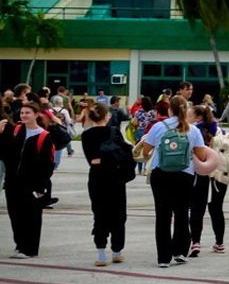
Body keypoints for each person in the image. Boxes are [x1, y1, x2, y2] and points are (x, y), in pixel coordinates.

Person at [142, 96, 207, 268]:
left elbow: (146, 151)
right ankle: (179, 251)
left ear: (169, 109)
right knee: (182, 213)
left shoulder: (158, 127)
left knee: (162, 215)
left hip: (160, 174)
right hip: (184, 175)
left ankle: (163, 257)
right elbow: (201, 155)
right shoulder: (192, 130)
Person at [0, 102, 55, 258]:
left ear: (37, 115)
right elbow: (4, 153)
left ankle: (29, 248)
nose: (24, 115)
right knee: (15, 215)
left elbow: (47, 164)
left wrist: (41, 187)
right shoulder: (16, 131)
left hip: (31, 184)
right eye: (22, 113)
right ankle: (20, 244)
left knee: (31, 216)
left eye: (27, 113)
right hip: (12, 181)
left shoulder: (44, 136)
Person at [81, 102, 129, 266]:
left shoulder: (86, 135)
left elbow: (91, 159)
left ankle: (101, 252)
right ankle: (117, 251)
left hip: (97, 176)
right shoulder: (114, 131)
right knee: (118, 213)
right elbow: (124, 153)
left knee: (100, 212)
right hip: (115, 175)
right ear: (106, 116)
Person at [189, 105, 227, 256]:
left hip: (198, 175)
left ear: (198, 118)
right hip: (218, 175)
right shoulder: (220, 131)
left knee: (196, 209)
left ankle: (195, 242)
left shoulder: (192, 131)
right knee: (217, 209)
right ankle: (219, 242)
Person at [49, 95, 75, 169]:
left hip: (51, 129)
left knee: (51, 146)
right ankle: (56, 164)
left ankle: (51, 160)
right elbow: (68, 121)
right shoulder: (64, 111)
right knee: (59, 147)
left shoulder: (50, 110)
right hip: (61, 130)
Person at [132, 97, 156, 174]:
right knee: (148, 149)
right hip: (149, 131)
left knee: (139, 149)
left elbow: (135, 123)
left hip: (140, 131)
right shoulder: (153, 112)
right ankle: (145, 169)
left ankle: (139, 168)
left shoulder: (138, 112)